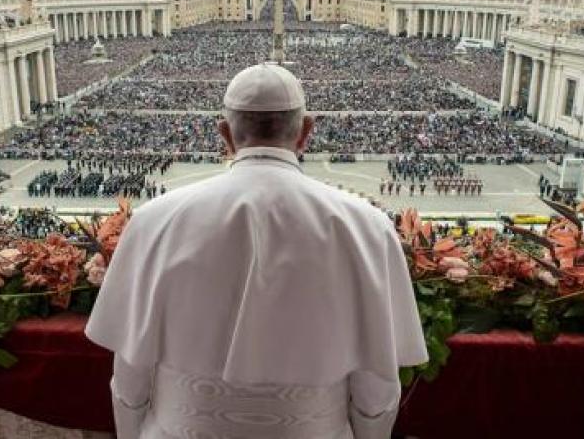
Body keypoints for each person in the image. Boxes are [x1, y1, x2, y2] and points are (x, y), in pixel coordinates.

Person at [86, 63, 427, 439]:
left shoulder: (154, 220)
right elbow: (377, 385)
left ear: (225, 134)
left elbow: (130, 374)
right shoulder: (367, 227)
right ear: (306, 132)